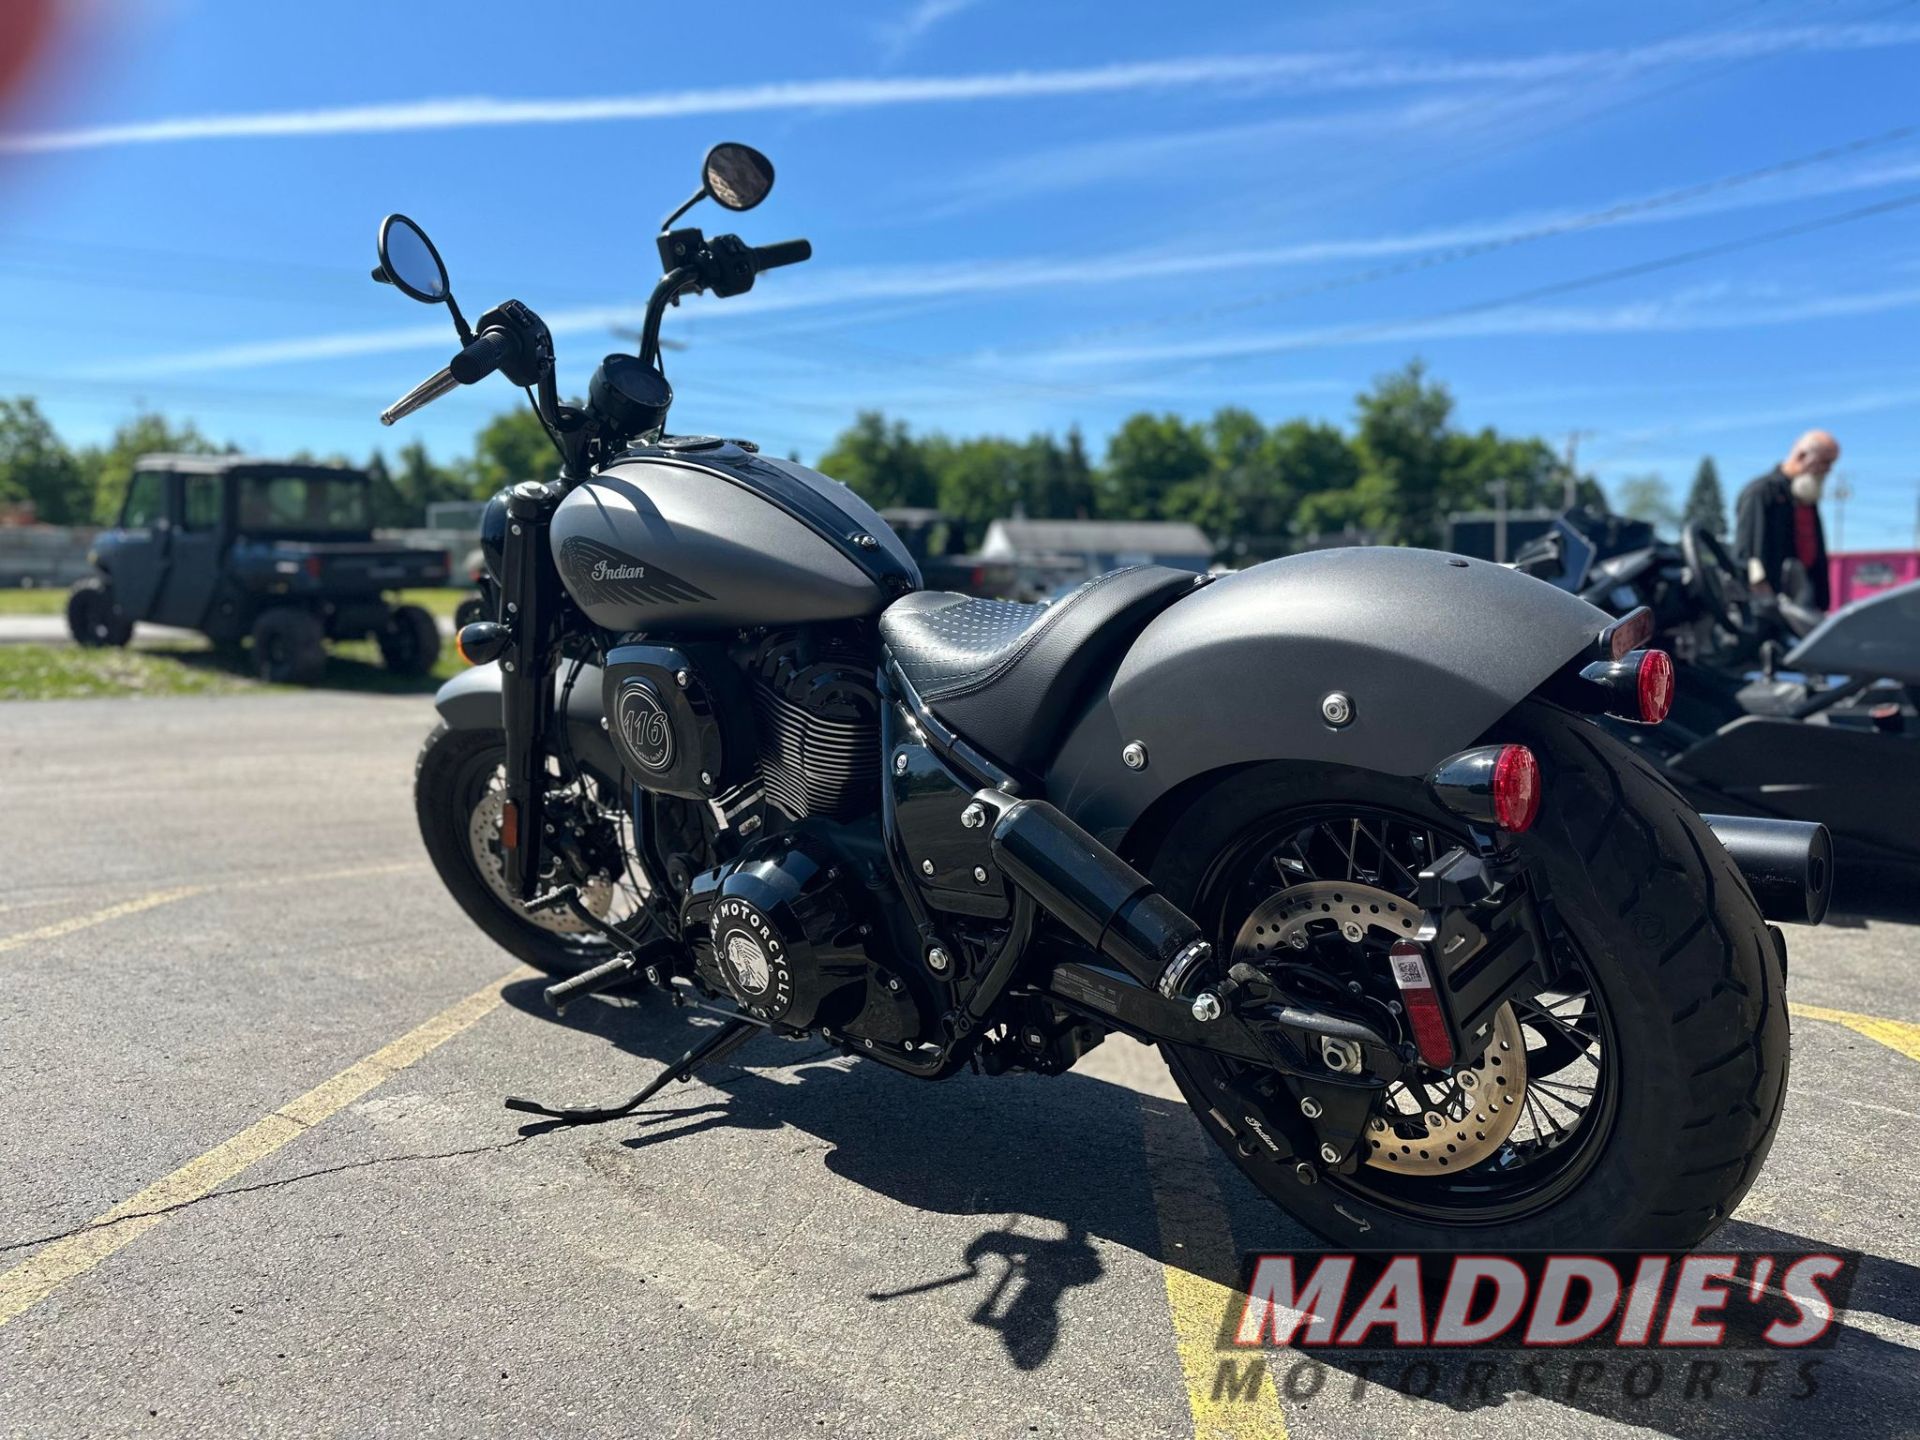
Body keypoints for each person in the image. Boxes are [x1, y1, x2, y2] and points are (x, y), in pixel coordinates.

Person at [1735, 429, 1837, 612]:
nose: (1828, 470)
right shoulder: (1762, 492)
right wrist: (1762, 595)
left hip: (1805, 598)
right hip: (1771, 604)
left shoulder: (1805, 497)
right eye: (1825, 462)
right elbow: (1747, 553)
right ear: (1801, 455)